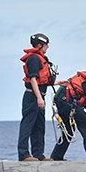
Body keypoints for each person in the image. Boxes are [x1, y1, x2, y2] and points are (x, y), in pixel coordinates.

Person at [50, 67, 86, 161]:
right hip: (67, 102)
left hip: (61, 101)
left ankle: (56, 155)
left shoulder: (84, 79)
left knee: (68, 130)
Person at [18, 33, 57, 161]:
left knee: (39, 126)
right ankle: (24, 155)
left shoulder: (41, 58)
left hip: (40, 96)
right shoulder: (34, 58)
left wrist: (58, 82)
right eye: (46, 45)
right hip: (32, 97)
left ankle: (38, 155)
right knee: (28, 125)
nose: (48, 47)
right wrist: (39, 98)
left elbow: (42, 80)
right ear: (40, 45)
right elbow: (33, 80)